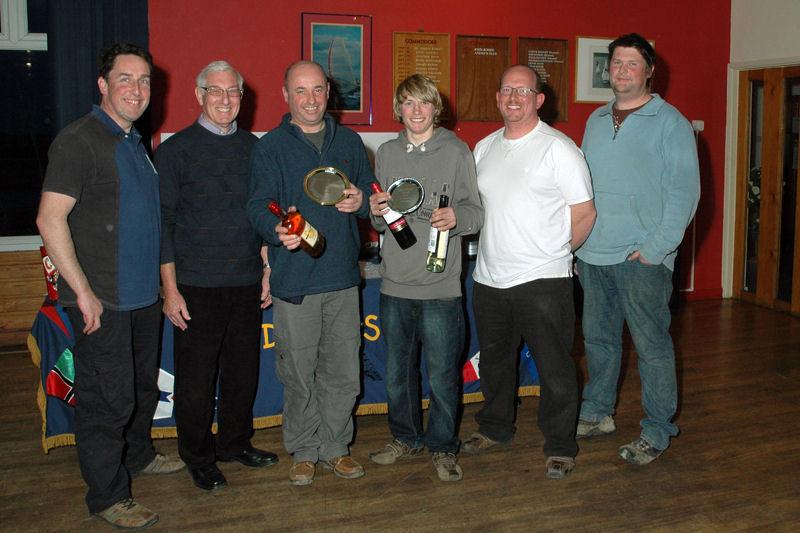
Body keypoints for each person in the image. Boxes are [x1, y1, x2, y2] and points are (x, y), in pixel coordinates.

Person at [36, 43, 184, 529]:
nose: (137, 90)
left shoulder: (136, 143)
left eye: (145, 81)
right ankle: (107, 496)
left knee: (140, 390)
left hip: (141, 299)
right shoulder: (78, 140)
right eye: (126, 79)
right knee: (106, 401)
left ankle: (138, 456)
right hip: (101, 301)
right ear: (103, 85)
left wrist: (166, 287)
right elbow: (49, 219)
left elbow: (154, 226)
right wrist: (81, 292)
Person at [463, 65, 596, 480]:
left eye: (523, 91)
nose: (514, 97)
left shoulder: (559, 149)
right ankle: (495, 427)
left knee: (555, 368)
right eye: (507, 90)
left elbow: (585, 213)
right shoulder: (483, 148)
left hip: (543, 280)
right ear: (498, 97)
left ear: (539, 99)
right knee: (497, 363)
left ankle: (559, 445)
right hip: (489, 279)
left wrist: (554, 254)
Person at [247, 61, 375, 486]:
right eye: (300, 90)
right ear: (286, 94)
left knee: (343, 372)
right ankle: (304, 449)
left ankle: (337, 446)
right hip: (295, 281)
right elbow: (255, 206)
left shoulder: (352, 142)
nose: (310, 99)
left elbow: (373, 199)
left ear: (328, 93)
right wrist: (275, 228)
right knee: (298, 373)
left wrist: (360, 203)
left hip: (341, 278)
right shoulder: (269, 148)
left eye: (317, 90)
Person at [576, 33, 700, 465]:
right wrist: (578, 244)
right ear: (607, 70)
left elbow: (684, 194)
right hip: (593, 255)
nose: (622, 70)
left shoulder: (671, 123)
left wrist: (655, 250)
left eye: (632, 63)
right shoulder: (594, 120)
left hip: (640, 259)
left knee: (652, 346)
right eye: (616, 63)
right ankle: (597, 413)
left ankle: (658, 429)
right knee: (599, 341)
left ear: (649, 71)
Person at [155, 60, 279, 492]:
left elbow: (263, 211)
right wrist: (170, 291)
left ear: (242, 98)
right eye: (215, 91)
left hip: (245, 279)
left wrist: (266, 268)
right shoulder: (174, 151)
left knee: (243, 372)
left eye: (233, 92)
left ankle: (234, 443)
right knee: (196, 379)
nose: (225, 100)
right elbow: (163, 225)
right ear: (199, 95)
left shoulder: (254, 148)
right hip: (195, 284)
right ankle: (197, 456)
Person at [366, 74, 483, 482]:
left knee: (443, 375)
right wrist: (376, 212)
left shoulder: (456, 151)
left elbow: (476, 212)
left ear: (436, 108)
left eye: (424, 103)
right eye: (408, 103)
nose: (416, 111)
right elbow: (377, 223)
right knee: (398, 374)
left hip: (440, 286)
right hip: (394, 284)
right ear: (399, 109)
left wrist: (457, 217)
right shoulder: (386, 152)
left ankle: (443, 446)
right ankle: (406, 438)